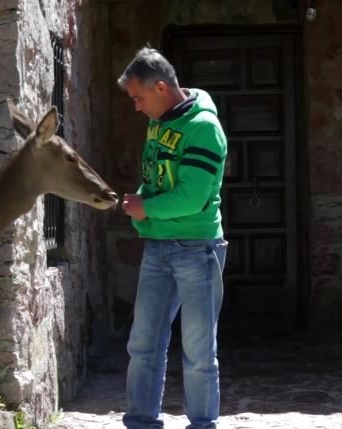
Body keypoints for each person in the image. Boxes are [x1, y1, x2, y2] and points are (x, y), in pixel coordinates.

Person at [117, 46, 228, 429]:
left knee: (198, 350)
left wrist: (146, 210)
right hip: (158, 249)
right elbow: (156, 179)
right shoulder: (159, 119)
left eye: (138, 98)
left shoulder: (203, 129)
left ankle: (202, 424)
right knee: (142, 344)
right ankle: (141, 422)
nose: (135, 107)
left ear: (161, 87)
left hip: (197, 250)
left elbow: (192, 197)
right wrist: (142, 206)